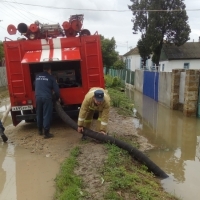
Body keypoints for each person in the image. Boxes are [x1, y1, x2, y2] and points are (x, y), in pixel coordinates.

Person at [35, 64, 60, 139]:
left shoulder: (37, 76)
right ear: (49, 70)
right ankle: (46, 132)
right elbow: (56, 90)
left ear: (43, 69)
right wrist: (56, 98)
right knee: (46, 114)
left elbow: (34, 85)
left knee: (39, 113)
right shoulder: (51, 77)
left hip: (38, 97)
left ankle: (39, 130)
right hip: (47, 98)